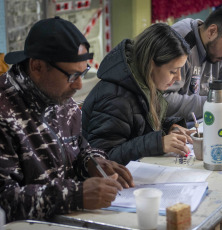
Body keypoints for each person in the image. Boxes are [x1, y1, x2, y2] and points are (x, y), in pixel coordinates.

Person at [0, 17, 134, 223]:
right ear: (37, 66)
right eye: (71, 76)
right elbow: (0, 202)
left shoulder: (59, 96)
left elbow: (79, 147)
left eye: (83, 73)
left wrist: (93, 162)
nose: (78, 85)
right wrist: (75, 195)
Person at [82, 23, 195, 165]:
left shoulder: (144, 83)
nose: (179, 78)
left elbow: (136, 128)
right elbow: (102, 158)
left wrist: (168, 129)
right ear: (151, 64)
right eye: (173, 71)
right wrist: (158, 143)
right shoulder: (115, 97)